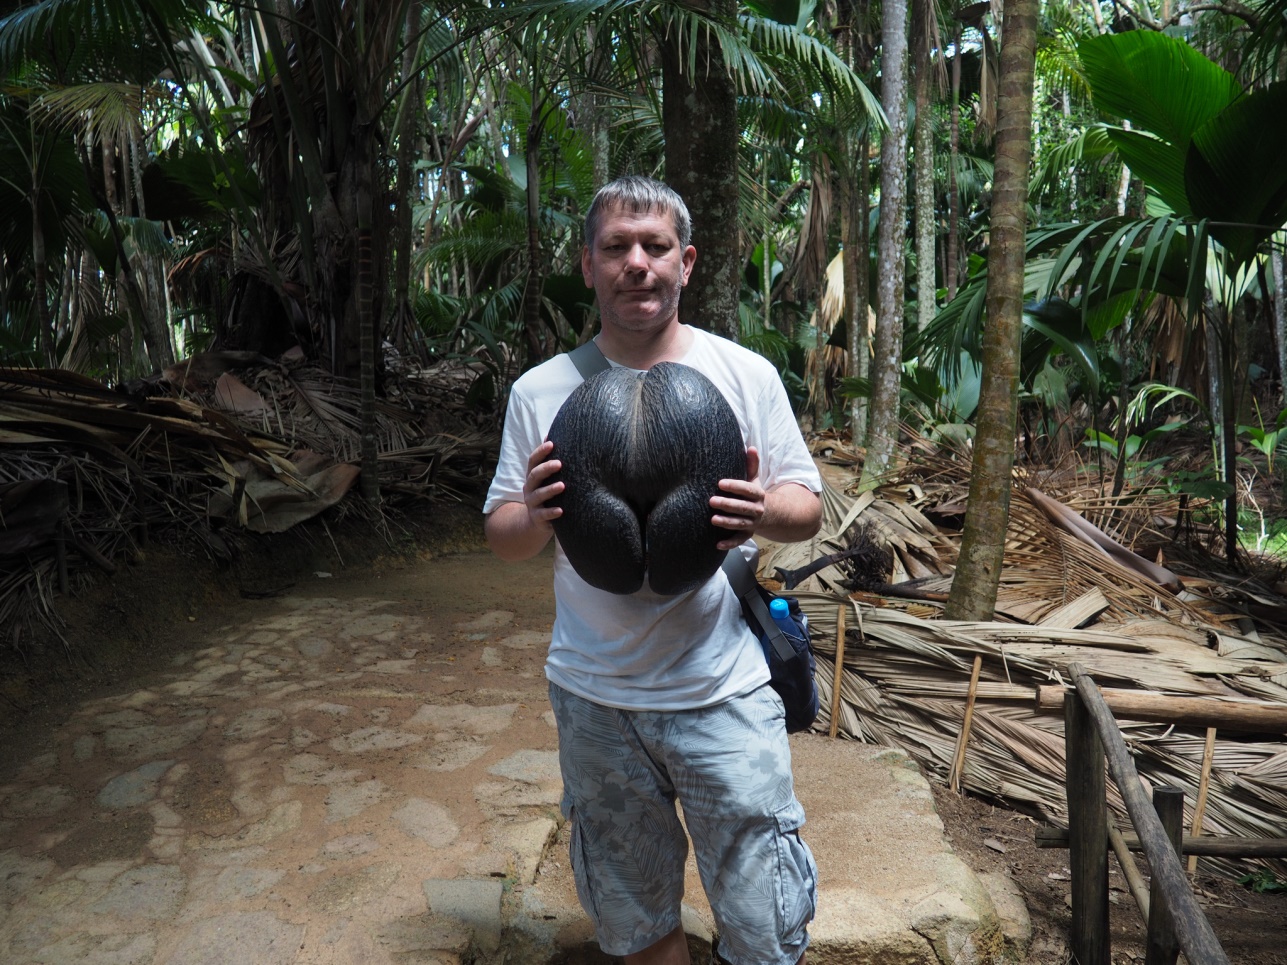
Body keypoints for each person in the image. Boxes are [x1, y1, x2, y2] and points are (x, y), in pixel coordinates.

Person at [483, 175, 823, 965]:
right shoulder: (540, 390)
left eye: (654, 246)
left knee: (765, 924)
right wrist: (534, 513)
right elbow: (502, 534)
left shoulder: (744, 374)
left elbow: (805, 506)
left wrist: (758, 511)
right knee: (635, 922)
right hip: (595, 697)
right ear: (588, 264)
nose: (635, 263)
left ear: (685, 262)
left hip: (723, 691)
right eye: (615, 247)